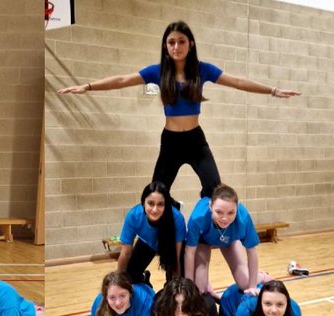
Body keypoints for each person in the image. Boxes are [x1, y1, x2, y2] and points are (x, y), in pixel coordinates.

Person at [57, 21, 298, 199]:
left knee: (215, 190)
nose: (176, 46)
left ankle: (205, 234)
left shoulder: (203, 70)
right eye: (171, 42)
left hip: (196, 141)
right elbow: (121, 80)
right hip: (170, 142)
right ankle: (166, 231)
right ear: (165, 46)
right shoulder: (158, 71)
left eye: (181, 41)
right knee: (155, 194)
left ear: (190, 44)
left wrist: (273, 90)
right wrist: (87, 87)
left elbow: (238, 82)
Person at [184, 185, 260, 296]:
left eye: (230, 213)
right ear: (210, 206)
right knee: (199, 288)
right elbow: (189, 252)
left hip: (230, 241)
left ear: (237, 208)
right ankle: (206, 285)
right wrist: (188, 286)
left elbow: (252, 251)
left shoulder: (243, 218)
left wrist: (252, 286)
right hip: (203, 241)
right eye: (219, 212)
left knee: (245, 283)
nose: (224, 218)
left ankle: (262, 276)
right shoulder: (198, 217)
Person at [115, 181, 186, 284]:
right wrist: (117, 282)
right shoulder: (134, 216)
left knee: (175, 284)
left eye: (160, 204)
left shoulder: (177, 219)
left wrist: (176, 287)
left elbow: (177, 257)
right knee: (130, 277)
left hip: (169, 244)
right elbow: (125, 253)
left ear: (166, 205)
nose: (155, 209)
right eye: (151, 203)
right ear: (143, 202)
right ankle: (144, 277)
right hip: (148, 242)